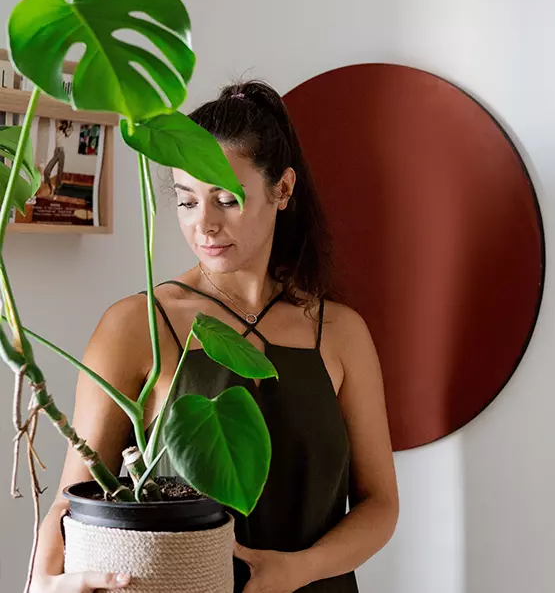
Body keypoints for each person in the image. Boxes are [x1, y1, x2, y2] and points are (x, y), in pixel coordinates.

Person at [31, 80, 399, 592]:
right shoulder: (137, 324)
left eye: (225, 199)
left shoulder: (339, 332)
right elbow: (75, 500)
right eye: (187, 202)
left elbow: (380, 504)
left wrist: (297, 570)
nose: (203, 224)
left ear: (283, 190)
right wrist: (44, 585)